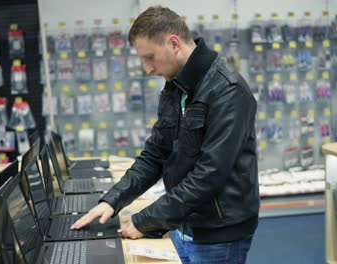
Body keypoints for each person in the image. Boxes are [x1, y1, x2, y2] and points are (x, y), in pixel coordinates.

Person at [71, 6, 259, 263]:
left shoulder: (228, 91)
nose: (147, 68)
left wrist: (146, 220)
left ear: (173, 43)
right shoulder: (176, 86)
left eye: (150, 57)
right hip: (183, 223)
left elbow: (209, 175)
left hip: (218, 233)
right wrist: (112, 200)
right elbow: (156, 154)